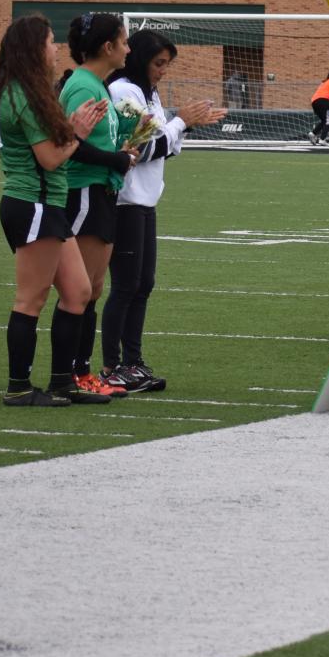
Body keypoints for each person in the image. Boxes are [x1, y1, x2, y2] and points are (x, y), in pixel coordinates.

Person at [0, 14, 107, 406]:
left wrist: (72, 130)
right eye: (50, 41)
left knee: (78, 292)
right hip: (32, 203)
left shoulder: (27, 90)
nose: (55, 49)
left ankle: (61, 382)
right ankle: (19, 387)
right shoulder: (21, 93)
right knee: (31, 298)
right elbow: (51, 159)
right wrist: (78, 132)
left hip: (47, 204)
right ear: (32, 48)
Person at [100, 30, 227, 394]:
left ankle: (133, 363)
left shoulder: (147, 93)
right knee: (125, 286)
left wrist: (185, 124)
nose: (163, 71)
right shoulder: (124, 91)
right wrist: (181, 122)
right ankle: (112, 367)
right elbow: (141, 148)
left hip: (145, 201)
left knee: (143, 285)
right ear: (140, 59)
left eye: (167, 65)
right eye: (159, 64)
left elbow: (162, 147)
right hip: (125, 201)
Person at [60, 13, 136, 400]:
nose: (128, 48)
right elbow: (71, 146)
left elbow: (98, 141)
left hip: (102, 191)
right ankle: (75, 373)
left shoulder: (99, 86)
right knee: (81, 289)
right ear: (107, 47)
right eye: (124, 41)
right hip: (85, 191)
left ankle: (82, 372)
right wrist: (115, 161)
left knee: (93, 288)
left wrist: (126, 146)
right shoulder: (82, 86)